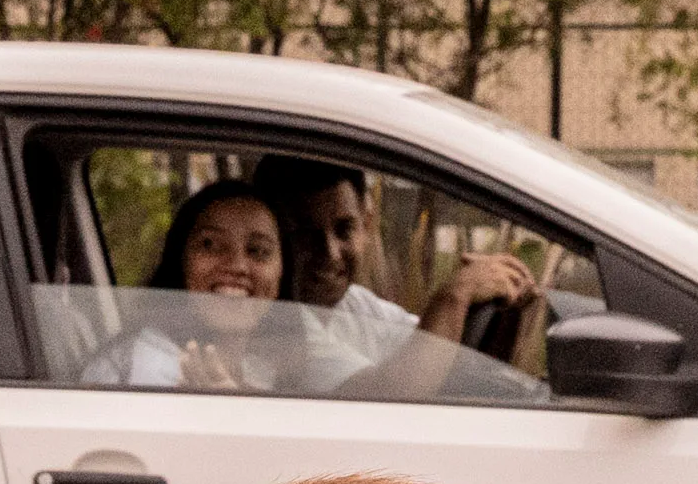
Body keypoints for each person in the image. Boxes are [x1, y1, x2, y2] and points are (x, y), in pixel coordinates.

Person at [249, 157, 549, 399]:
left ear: (366, 223)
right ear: (272, 237)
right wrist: (453, 296)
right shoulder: (278, 327)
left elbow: (433, 357)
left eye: (344, 230)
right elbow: (391, 393)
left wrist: (505, 310)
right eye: (304, 235)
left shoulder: (353, 305)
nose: (330, 252)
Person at [69, 177, 310, 390]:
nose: (237, 265)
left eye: (258, 251)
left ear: (282, 272)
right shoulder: (128, 370)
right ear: (181, 260)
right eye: (210, 245)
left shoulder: (265, 374)